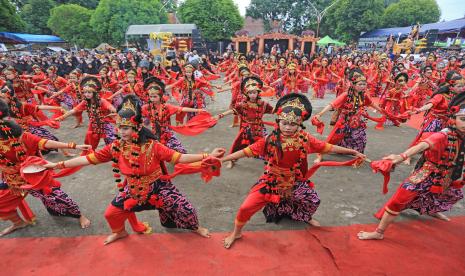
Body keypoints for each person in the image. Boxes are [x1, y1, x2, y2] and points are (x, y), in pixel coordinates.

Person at [45, 95, 225, 245]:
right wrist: (57, 165)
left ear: (137, 127)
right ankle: (120, 232)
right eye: (119, 128)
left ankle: (195, 228)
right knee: (111, 214)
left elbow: (180, 158)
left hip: (158, 186)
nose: (120, 131)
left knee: (185, 208)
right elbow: (87, 159)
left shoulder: (153, 146)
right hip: (132, 189)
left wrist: (206, 155)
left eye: (125, 128)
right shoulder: (114, 147)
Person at [220, 93, 365, 249]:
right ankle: (236, 232)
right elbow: (245, 151)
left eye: (292, 124)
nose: (288, 127)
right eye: (284, 123)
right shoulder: (269, 140)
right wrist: (222, 160)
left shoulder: (306, 139)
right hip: (271, 180)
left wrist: (352, 152)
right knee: (245, 208)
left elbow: (327, 147)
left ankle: (305, 216)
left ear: (300, 124)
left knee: (312, 199)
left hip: (294, 179)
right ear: (278, 122)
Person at [358, 93, 465, 240]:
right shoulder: (443, 135)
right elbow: (423, 145)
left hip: (446, 176)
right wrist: (401, 157)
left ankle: (431, 210)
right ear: (453, 119)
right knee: (399, 199)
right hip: (427, 173)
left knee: (449, 194)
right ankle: (379, 232)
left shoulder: (462, 136)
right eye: (463, 119)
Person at [0, 100, 91, 236]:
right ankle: (18, 223)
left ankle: (79, 215)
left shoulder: (23, 135)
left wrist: (74, 146)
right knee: (1, 201)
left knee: (55, 196)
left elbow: (44, 142)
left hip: (33, 174)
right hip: (12, 178)